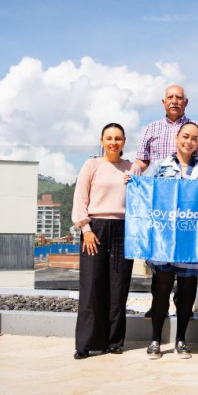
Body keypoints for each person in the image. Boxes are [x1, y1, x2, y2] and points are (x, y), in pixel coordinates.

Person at [132, 85, 198, 319]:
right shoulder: (151, 129)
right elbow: (142, 162)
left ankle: (184, 309)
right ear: (163, 102)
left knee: (187, 264)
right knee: (160, 264)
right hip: (160, 209)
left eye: (179, 98)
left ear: (186, 102)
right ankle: (158, 308)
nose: (174, 101)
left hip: (188, 211)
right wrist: (133, 177)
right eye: (170, 98)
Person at [144, 121, 198, 360]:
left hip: (191, 241)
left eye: (194, 138)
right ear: (177, 138)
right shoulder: (159, 166)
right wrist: (131, 184)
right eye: (185, 136)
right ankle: (155, 339)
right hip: (163, 239)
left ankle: (181, 339)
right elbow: (144, 192)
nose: (189, 141)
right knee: (161, 290)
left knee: (187, 291)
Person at [72, 123, 133, 359]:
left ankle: (114, 341)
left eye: (118, 138)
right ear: (102, 141)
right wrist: (85, 228)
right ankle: (85, 344)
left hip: (123, 229)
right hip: (94, 229)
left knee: (118, 287)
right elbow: (80, 198)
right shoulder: (92, 165)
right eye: (109, 138)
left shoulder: (131, 168)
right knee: (91, 287)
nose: (113, 142)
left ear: (124, 141)